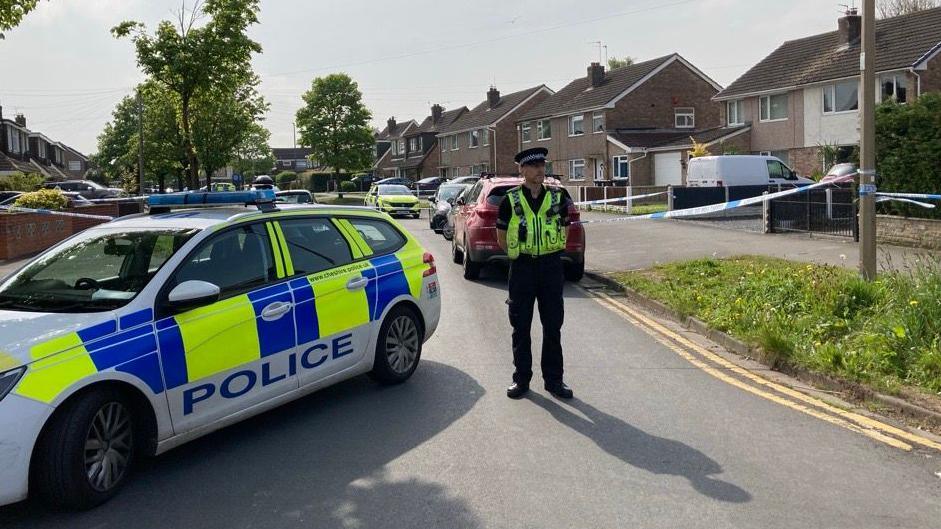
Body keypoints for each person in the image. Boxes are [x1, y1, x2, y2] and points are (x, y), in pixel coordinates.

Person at [496, 147, 574, 400]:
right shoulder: (510, 200)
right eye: (534, 166)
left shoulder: (558, 196)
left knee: (553, 326)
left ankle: (554, 381)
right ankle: (521, 380)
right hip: (523, 269)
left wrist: (550, 252)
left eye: (542, 165)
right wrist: (520, 254)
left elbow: (567, 228)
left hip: (551, 267)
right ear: (522, 170)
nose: (540, 169)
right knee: (521, 327)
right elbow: (501, 237)